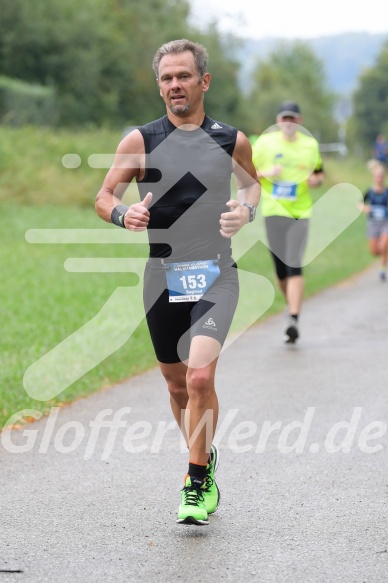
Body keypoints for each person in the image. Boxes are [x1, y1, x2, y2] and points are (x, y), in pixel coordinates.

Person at [95, 39, 260, 525]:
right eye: (166, 78)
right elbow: (104, 195)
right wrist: (124, 213)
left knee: (200, 375)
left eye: (183, 76)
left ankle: (195, 482)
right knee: (176, 386)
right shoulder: (140, 141)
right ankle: (203, 458)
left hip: (215, 273)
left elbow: (252, 184)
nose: (174, 86)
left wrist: (244, 210)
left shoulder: (232, 140)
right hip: (161, 275)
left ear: (203, 81)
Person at [252, 101, 324, 344]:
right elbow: (246, 172)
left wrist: (316, 181)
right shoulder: (264, 144)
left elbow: (319, 174)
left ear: (299, 121)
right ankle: (289, 304)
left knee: (294, 262)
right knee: (281, 270)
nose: (289, 123)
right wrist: (266, 173)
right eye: (285, 118)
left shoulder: (310, 145)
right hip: (273, 210)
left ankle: (293, 318)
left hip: (300, 212)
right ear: (278, 120)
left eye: (293, 118)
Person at [359, 160, 388, 281]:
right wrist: (365, 208)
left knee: (384, 245)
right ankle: (383, 254)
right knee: (375, 251)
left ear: (384, 177)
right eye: (377, 176)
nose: (379, 178)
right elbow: (360, 203)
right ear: (373, 177)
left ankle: (382, 268)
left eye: (381, 176)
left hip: (385, 222)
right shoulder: (369, 192)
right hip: (373, 223)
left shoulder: (386, 192)